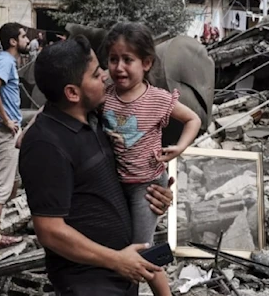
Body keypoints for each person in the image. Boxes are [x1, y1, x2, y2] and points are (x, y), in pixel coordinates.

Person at [19, 35, 175, 296]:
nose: (105, 75)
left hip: (123, 272)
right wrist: (116, 260)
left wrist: (155, 194)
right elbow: (50, 231)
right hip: (88, 283)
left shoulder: (96, 119)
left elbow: (107, 186)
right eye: (95, 74)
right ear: (72, 92)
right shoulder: (46, 144)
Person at [103, 22, 201, 296]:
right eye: (113, 59)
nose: (119, 67)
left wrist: (180, 147)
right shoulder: (105, 95)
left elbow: (193, 119)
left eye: (127, 60)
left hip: (147, 186)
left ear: (146, 63)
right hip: (116, 182)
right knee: (122, 246)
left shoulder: (157, 99)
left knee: (140, 250)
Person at [0, 22, 29, 248]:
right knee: (2, 182)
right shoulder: (5, 60)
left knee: (13, 182)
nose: (27, 40)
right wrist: (6, 119)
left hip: (9, 129)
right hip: (4, 131)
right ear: (13, 41)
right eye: (23, 36)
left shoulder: (5, 60)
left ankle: (0, 224)